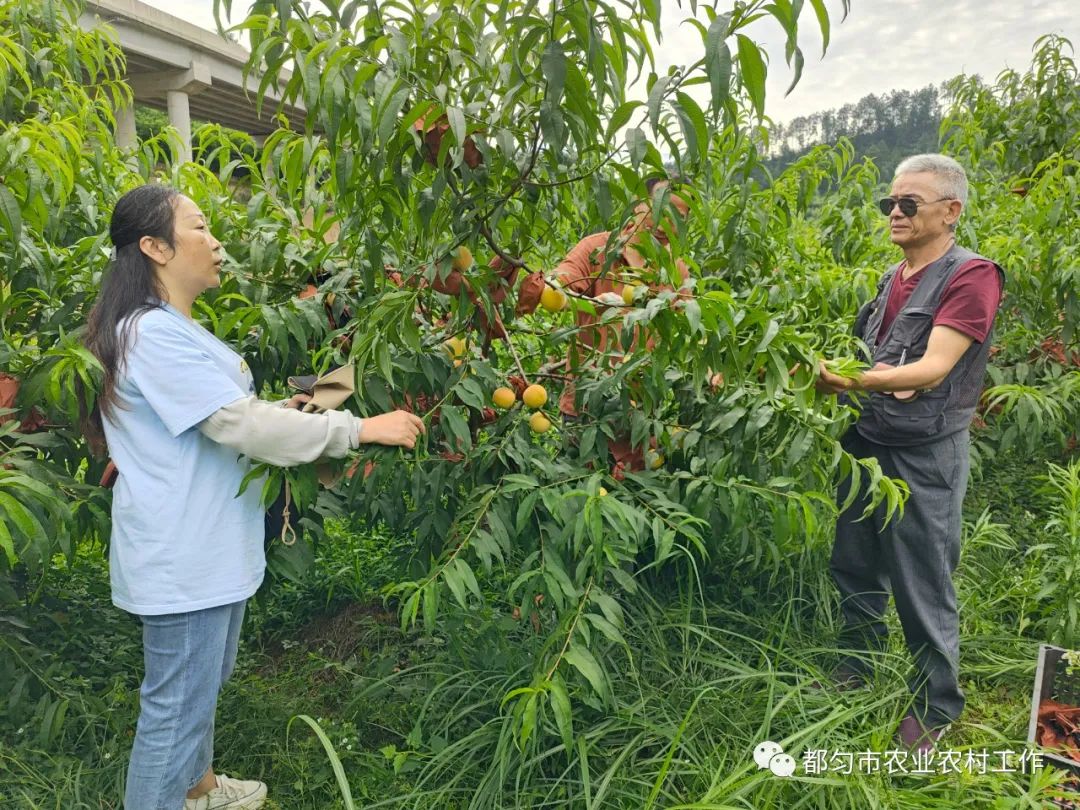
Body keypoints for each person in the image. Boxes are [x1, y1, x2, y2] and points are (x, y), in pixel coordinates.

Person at [80, 184, 424, 810]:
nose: (216, 243)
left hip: (209, 547)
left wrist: (311, 397)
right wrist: (358, 428)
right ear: (155, 247)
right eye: (200, 229)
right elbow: (237, 426)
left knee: (200, 689)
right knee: (175, 709)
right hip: (185, 555)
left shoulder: (175, 329)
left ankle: (199, 788)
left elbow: (235, 412)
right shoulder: (150, 336)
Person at [816, 154, 1004, 753]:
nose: (894, 214)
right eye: (889, 204)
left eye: (909, 204)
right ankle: (857, 667)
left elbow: (933, 367)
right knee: (854, 560)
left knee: (922, 574)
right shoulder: (891, 278)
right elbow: (873, 354)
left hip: (925, 450)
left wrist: (847, 381)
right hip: (868, 441)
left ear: (951, 211)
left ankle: (936, 705)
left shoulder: (971, 276)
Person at [517, 178, 691, 476]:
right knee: (578, 497)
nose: (667, 226)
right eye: (661, 210)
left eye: (679, 218)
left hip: (639, 412)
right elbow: (566, 278)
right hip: (586, 406)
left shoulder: (675, 270)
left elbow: (690, 333)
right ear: (639, 206)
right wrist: (562, 288)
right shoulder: (599, 249)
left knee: (633, 503)